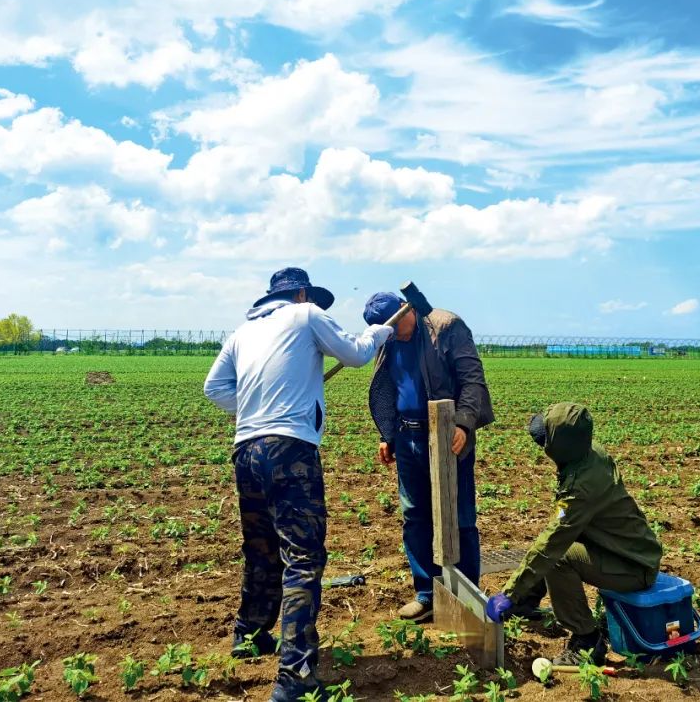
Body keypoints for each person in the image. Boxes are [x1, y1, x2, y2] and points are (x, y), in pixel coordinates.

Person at [204, 268, 393, 702]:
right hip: (290, 449)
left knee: (261, 547)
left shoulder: (242, 333)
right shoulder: (306, 315)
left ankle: (249, 635)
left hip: (246, 450)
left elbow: (214, 388)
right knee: (303, 557)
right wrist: (379, 332)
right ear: (302, 293)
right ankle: (296, 676)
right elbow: (356, 354)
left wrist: (256, 404)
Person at [485, 403, 662, 666]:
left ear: (562, 446)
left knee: (557, 556)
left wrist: (510, 593)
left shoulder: (582, 487)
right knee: (554, 541)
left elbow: (552, 544)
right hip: (623, 548)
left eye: (547, 439)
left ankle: (587, 641)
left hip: (633, 565)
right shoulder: (588, 453)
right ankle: (527, 602)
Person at [362, 291, 496, 624]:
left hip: (447, 435)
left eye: (395, 324)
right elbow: (388, 386)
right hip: (407, 437)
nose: (393, 332)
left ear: (408, 310)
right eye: (385, 329)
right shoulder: (387, 337)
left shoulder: (446, 326)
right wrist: (387, 435)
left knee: (459, 517)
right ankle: (427, 593)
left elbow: (471, 380)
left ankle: (465, 595)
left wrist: (463, 423)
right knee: (415, 516)